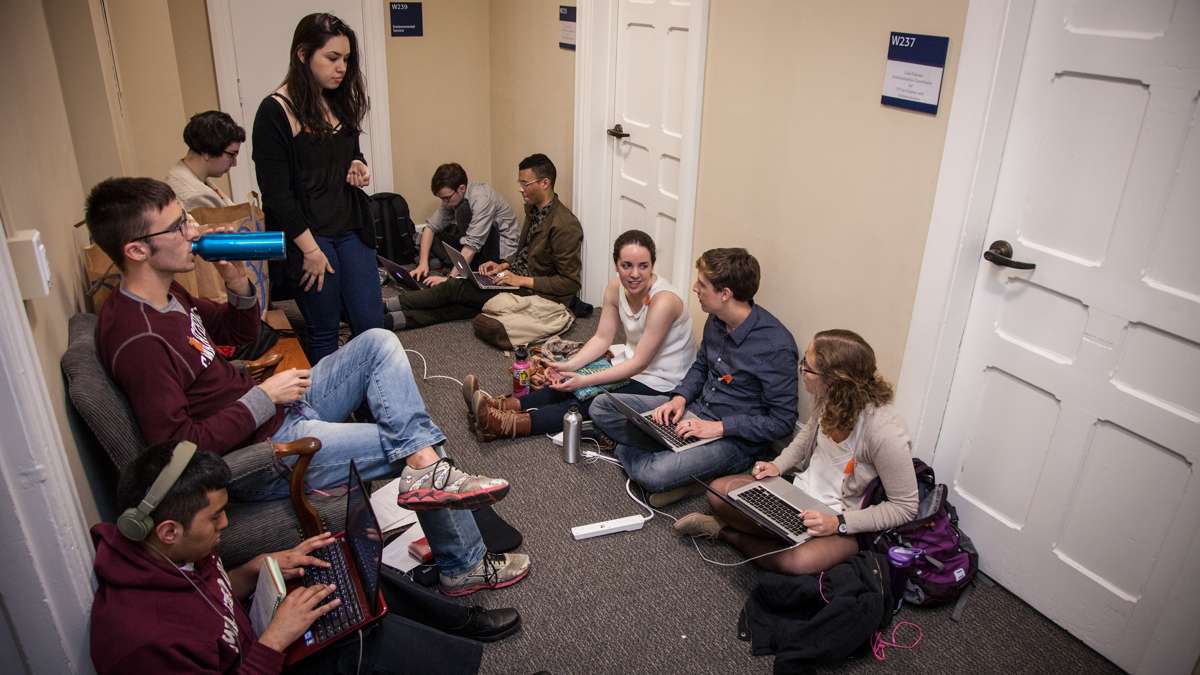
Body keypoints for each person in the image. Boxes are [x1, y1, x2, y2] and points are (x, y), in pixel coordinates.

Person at [86, 176, 530, 595]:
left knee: (377, 342)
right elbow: (177, 448)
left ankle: (425, 469)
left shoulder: (167, 295)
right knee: (417, 444)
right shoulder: (139, 339)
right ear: (137, 250)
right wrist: (263, 399)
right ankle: (462, 564)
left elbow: (239, 334)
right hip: (263, 448)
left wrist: (237, 281)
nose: (194, 229)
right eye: (179, 224)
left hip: (276, 407)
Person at [90, 441, 523, 674]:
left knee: (341, 566)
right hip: (262, 657)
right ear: (168, 531)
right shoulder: (143, 643)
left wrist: (261, 568)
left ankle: (459, 622)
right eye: (216, 516)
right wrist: (275, 640)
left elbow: (216, 591)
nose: (225, 526)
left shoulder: (175, 554)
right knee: (360, 642)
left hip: (256, 640)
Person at [672, 329, 919, 575]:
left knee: (797, 562)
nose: (801, 370)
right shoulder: (830, 398)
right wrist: (778, 465)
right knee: (717, 492)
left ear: (834, 381)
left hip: (840, 519)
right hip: (798, 495)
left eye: (808, 368)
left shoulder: (885, 431)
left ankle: (724, 532)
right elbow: (805, 438)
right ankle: (777, 532)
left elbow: (905, 506)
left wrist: (838, 523)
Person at [589, 248, 799, 506]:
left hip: (733, 440)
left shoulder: (776, 346)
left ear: (725, 294)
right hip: (694, 410)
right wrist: (679, 399)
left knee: (654, 474)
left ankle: (669, 460)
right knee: (601, 405)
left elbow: (782, 421)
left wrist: (718, 428)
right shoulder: (716, 318)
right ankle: (674, 455)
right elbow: (701, 367)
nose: (694, 288)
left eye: (702, 284)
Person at [463, 229, 696, 442]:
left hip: (663, 381)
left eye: (643, 266)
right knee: (567, 382)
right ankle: (501, 405)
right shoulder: (615, 287)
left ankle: (502, 425)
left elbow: (639, 363)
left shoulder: (664, 301)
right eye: (627, 265)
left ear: (652, 265)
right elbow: (602, 338)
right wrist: (568, 366)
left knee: (588, 398)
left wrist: (584, 379)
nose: (635, 274)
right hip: (629, 362)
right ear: (616, 265)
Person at [252, 12, 382, 363]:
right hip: (308, 234)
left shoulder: (338, 99)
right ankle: (331, 408)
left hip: (351, 224)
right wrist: (309, 250)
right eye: (332, 58)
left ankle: (372, 396)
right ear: (302, 55)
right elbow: (276, 195)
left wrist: (359, 165)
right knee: (323, 326)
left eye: (346, 59)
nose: (341, 68)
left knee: (371, 322)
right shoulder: (274, 111)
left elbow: (351, 152)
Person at [383, 153, 583, 329]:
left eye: (525, 184)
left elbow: (570, 282)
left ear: (545, 183)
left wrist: (519, 280)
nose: (521, 189)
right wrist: (503, 264)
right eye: (520, 183)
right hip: (512, 275)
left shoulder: (565, 224)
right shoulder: (534, 210)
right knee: (465, 306)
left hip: (533, 289)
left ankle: (386, 306)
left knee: (456, 287)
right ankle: (395, 320)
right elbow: (527, 252)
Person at [411, 162, 519, 281]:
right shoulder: (454, 197)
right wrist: (423, 263)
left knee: (463, 209)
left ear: (461, 188)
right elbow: (430, 227)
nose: (444, 203)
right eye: (442, 199)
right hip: (474, 243)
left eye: (447, 198)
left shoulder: (481, 199)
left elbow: (472, 244)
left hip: (498, 250)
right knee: (434, 237)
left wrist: (450, 280)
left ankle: (459, 269)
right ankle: (457, 265)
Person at [165, 110, 244, 210]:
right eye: (231, 155)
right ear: (207, 151)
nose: (234, 163)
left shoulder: (191, 175)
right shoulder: (193, 196)